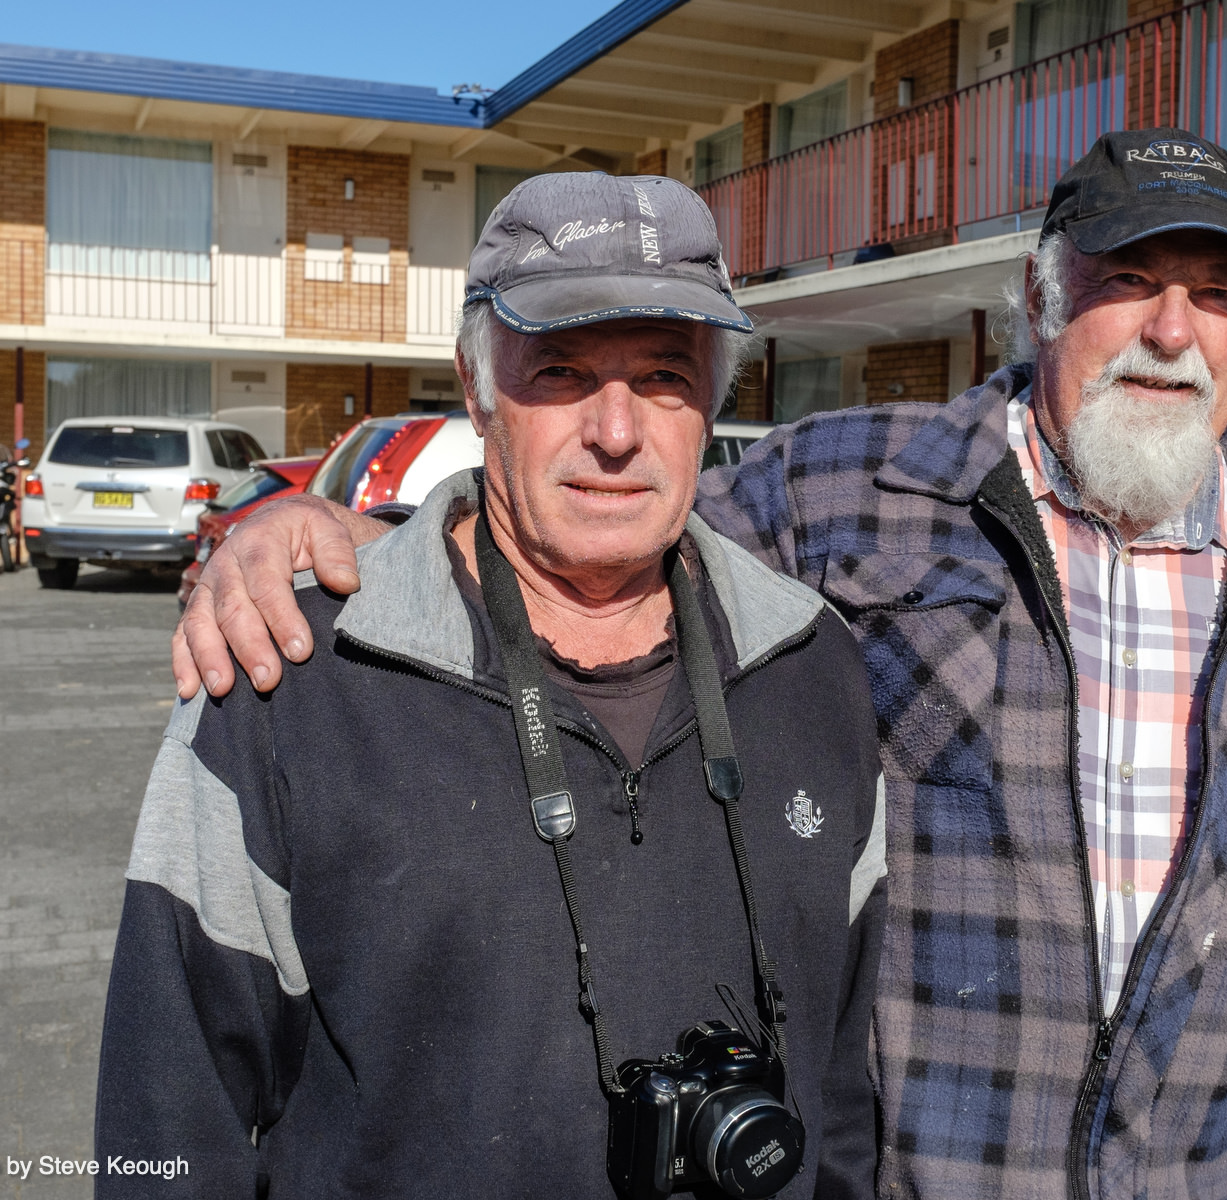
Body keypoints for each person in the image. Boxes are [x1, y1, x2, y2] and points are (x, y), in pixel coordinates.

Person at [174, 130, 1227, 1198]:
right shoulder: (850, 493)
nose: (1172, 329)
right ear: (1041, 298)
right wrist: (371, 545)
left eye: (1217, 294)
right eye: (1127, 278)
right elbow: (593, 546)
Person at [94, 173, 888, 1198]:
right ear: (474, 391)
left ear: (709, 403)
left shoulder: (813, 667)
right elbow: (167, 1113)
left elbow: (843, 1091)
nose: (616, 431)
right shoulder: (289, 677)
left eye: (663, 375)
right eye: (560, 371)